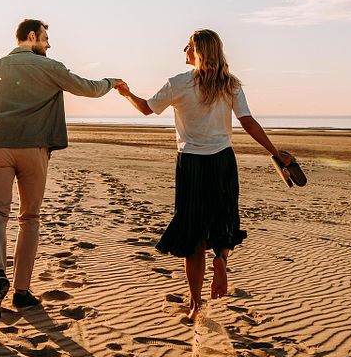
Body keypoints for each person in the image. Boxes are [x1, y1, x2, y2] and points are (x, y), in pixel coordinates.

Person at [0, 19, 122, 335]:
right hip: (33, 149)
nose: (49, 44)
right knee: (29, 218)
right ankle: (21, 291)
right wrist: (113, 82)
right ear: (32, 36)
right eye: (45, 38)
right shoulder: (50, 67)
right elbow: (88, 88)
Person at [115, 29, 296, 324]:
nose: (183, 49)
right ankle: (221, 259)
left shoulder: (178, 83)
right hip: (223, 161)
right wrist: (275, 152)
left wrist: (127, 95)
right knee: (225, 221)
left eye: (188, 45)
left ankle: (196, 305)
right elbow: (248, 122)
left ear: (198, 51)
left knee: (193, 234)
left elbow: (147, 109)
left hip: (191, 163)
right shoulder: (230, 84)